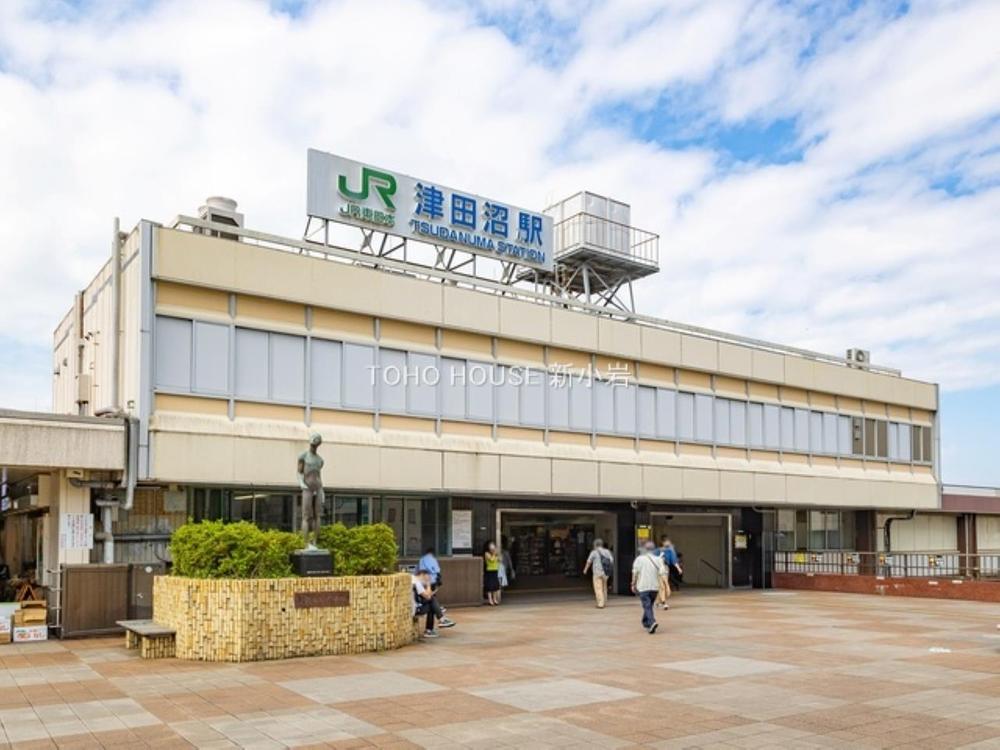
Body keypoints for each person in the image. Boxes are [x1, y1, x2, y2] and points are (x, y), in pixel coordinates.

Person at [631, 541, 666, 634]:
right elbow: (662, 572)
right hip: (654, 587)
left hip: (643, 586)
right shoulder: (658, 559)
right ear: (654, 549)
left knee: (647, 606)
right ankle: (646, 622)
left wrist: (633, 583)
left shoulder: (639, 559)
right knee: (648, 606)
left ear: (645, 549)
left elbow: (635, 572)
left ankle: (652, 622)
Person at [412, 568, 455, 638]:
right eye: (427, 578)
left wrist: (434, 590)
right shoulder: (417, 582)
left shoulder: (413, 579)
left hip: (414, 607)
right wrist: (428, 584)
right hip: (415, 610)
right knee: (431, 602)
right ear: (422, 575)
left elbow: (425, 596)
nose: (427, 580)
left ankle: (434, 625)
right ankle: (440, 620)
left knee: (432, 602)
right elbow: (428, 597)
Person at [583, 538, 613, 609]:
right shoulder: (607, 551)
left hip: (597, 572)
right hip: (605, 572)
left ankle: (600, 603)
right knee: (604, 587)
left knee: (598, 588)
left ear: (595, 545)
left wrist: (585, 569)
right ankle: (604, 601)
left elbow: (589, 561)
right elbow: (611, 561)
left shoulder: (594, 552)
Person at [657, 536, 682, 610]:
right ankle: (663, 602)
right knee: (662, 586)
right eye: (667, 541)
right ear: (663, 542)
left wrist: (678, 568)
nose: (668, 542)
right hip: (658, 569)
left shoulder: (670, 551)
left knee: (664, 586)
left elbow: (674, 560)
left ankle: (659, 602)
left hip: (665, 568)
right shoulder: (657, 551)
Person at [483, 541, 501, 605]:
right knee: (490, 586)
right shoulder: (486, 553)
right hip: (489, 571)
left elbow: (500, 560)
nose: (493, 548)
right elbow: (491, 560)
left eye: (493, 546)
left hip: (495, 570)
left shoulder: (495, 554)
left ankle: (495, 599)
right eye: (491, 546)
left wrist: (498, 556)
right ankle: (490, 600)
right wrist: (494, 554)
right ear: (488, 547)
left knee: (495, 586)